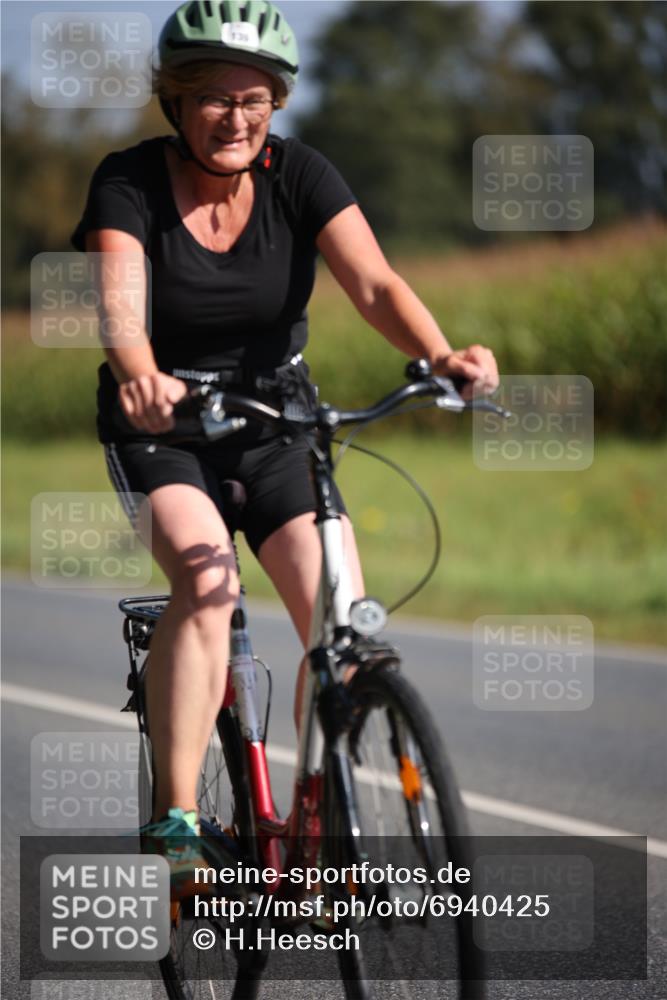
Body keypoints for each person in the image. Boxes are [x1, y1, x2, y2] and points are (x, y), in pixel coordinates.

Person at [72, 0, 498, 850]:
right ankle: (178, 818)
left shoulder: (299, 174)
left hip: (274, 422)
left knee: (338, 616)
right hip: (165, 429)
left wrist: (442, 356)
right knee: (207, 583)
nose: (235, 118)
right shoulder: (128, 182)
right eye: (214, 99)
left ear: (276, 104)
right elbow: (120, 310)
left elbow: (374, 285)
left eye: (254, 100)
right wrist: (142, 375)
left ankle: (315, 811)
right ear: (176, 102)